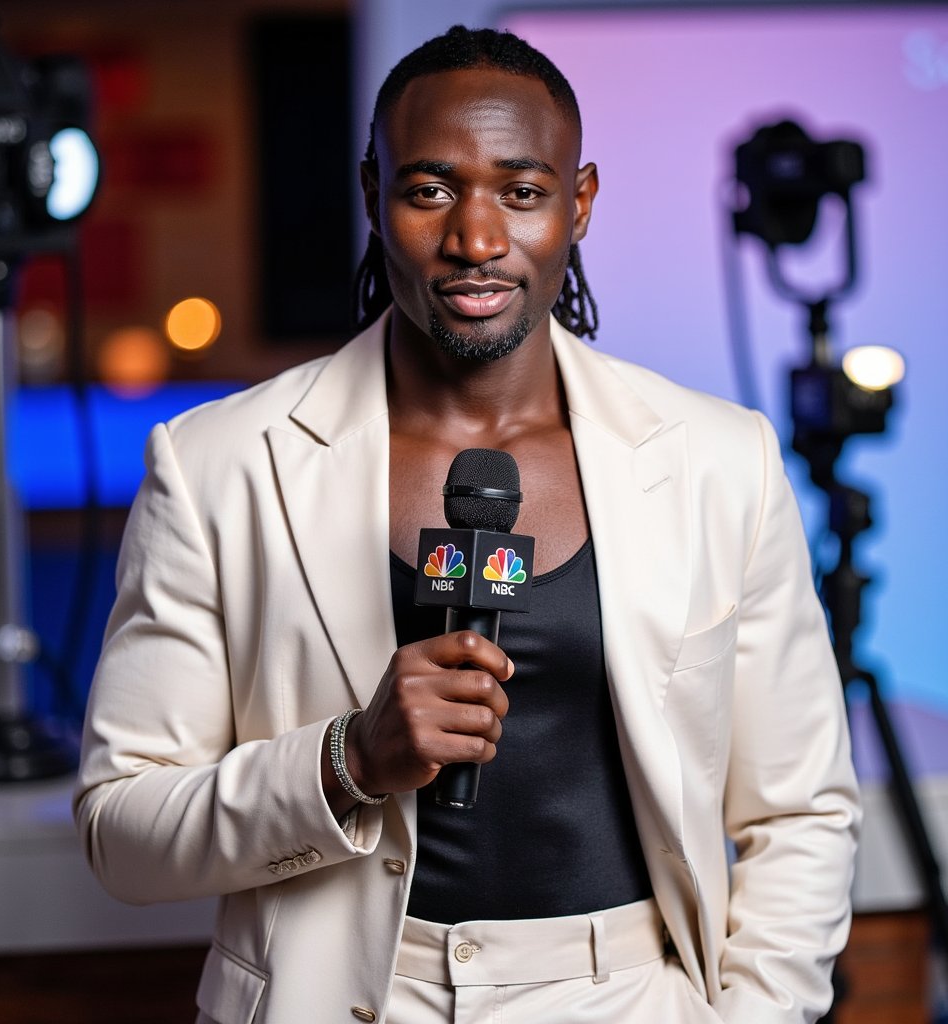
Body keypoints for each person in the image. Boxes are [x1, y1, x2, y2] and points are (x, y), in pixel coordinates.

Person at [74, 24, 860, 1024]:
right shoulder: (219, 463)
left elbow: (799, 812)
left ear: (577, 205)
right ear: (372, 197)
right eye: (430, 189)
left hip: (621, 994)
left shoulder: (717, 460)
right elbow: (120, 831)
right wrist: (347, 759)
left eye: (522, 193)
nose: (476, 240)